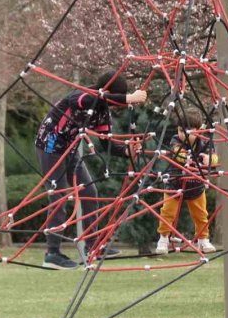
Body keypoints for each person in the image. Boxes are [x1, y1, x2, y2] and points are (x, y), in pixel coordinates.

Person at [35, 70, 147, 269]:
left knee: (89, 192)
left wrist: (128, 151)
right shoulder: (81, 96)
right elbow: (91, 99)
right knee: (60, 196)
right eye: (116, 99)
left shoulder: (103, 112)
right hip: (50, 146)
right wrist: (129, 97)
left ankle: (92, 245)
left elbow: (107, 145)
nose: (116, 105)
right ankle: (52, 253)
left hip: (69, 150)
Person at [155, 108, 218, 255]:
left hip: (195, 184)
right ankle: (163, 238)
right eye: (180, 130)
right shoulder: (175, 140)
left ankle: (203, 239)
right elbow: (179, 155)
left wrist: (210, 160)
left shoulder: (205, 143)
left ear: (199, 131)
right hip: (174, 182)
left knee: (201, 214)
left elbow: (214, 158)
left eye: (188, 131)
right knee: (167, 212)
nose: (183, 135)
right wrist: (190, 159)